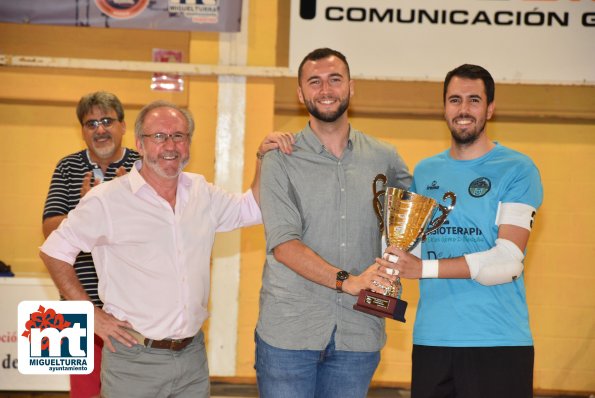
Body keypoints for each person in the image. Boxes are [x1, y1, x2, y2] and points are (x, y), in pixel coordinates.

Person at [40, 100, 292, 398]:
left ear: (188, 143)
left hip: (191, 358)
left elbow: (253, 208)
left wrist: (262, 157)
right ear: (140, 144)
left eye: (179, 136)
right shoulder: (107, 199)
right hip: (133, 360)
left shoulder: (202, 192)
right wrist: (90, 315)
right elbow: (54, 251)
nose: (169, 145)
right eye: (158, 136)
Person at [255, 47, 412, 398]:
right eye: (315, 81)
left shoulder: (384, 157)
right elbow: (283, 245)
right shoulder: (281, 158)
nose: (325, 89)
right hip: (289, 334)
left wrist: (395, 266)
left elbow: (411, 221)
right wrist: (349, 282)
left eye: (335, 79)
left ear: (351, 87)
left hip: (358, 334)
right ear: (300, 93)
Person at [381, 64, 544, 398]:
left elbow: (508, 260)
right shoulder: (426, 171)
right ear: (444, 107)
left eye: (474, 100)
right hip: (432, 340)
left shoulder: (517, 168)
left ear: (490, 108)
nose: (464, 109)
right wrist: (390, 268)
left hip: (497, 341)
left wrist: (421, 269)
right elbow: (411, 245)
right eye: (455, 100)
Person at [42, 91, 140, 398]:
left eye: (107, 121)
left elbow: (155, 232)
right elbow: (49, 230)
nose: (99, 129)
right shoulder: (67, 167)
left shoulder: (142, 165)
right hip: (76, 302)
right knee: (82, 392)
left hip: (132, 306)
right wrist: (84, 209)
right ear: (82, 130)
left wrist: (127, 202)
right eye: (91, 123)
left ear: (123, 125)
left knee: (131, 389)